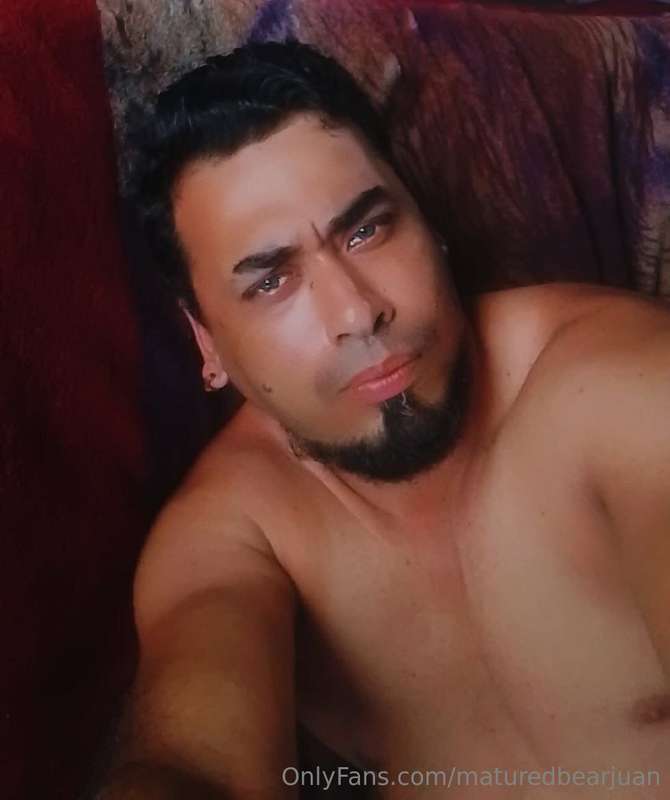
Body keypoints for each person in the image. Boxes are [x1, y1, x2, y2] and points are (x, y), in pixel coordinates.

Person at [97, 40, 670, 799]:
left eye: (367, 230)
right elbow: (196, 764)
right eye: (271, 282)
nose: (356, 312)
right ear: (208, 344)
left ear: (427, 224)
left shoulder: (614, 382)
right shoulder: (235, 533)